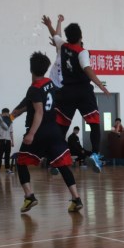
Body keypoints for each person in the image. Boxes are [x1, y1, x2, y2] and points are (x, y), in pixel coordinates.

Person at [10, 52, 83, 213]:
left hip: (39, 133)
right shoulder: (49, 83)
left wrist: (31, 134)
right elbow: (29, 103)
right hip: (54, 132)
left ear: (31, 69)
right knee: (63, 166)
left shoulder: (33, 89)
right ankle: (76, 198)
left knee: (21, 162)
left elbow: (39, 112)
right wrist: (13, 115)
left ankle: (29, 196)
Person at [42, 20, 110, 173]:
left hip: (67, 92)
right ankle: (95, 155)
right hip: (83, 91)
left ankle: (55, 160)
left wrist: (49, 25)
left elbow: (55, 36)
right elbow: (87, 68)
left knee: (61, 126)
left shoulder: (62, 46)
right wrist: (100, 85)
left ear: (67, 37)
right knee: (94, 123)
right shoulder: (82, 52)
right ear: (81, 36)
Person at [42, 14, 65, 89]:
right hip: (54, 82)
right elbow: (57, 37)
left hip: (64, 86)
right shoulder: (64, 48)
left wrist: (56, 23)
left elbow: (57, 37)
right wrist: (58, 22)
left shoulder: (72, 52)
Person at [0, 108, 14, 175]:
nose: (6, 114)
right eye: (4, 113)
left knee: (7, 156)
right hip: (1, 141)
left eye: (7, 113)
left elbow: (11, 132)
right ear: (2, 114)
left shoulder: (10, 122)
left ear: (8, 114)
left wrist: (12, 141)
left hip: (8, 141)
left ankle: (7, 169)